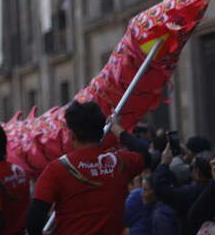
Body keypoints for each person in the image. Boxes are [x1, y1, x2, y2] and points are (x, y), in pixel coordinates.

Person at [26, 100, 149, 235]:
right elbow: (145, 155)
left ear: (72, 135)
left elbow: (34, 222)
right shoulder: (119, 162)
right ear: (101, 132)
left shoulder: (56, 170)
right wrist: (117, 129)